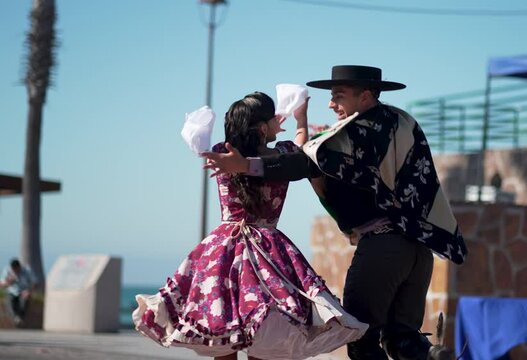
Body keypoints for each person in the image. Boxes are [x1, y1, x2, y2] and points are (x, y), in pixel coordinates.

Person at [202, 65, 468, 360]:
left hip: (383, 247)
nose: (330, 104)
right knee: (402, 338)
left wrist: (245, 166)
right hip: (418, 250)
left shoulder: (357, 132)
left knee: (361, 338)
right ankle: (431, 355)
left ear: (365, 96)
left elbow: (304, 163)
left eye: (338, 96)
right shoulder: (403, 122)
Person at [132, 91, 368, 360]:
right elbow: (301, 148)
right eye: (273, 118)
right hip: (269, 253)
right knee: (267, 335)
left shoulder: (223, 152)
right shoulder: (284, 155)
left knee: (220, 335)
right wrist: (301, 119)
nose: (280, 119)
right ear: (262, 127)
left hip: (222, 253)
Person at [0, 258, 36, 326]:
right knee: (10, 301)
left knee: (24, 301)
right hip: (11, 291)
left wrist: (28, 291)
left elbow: (35, 283)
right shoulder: (7, 270)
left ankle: (20, 318)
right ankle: (16, 318)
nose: (15, 271)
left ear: (19, 267)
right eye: (13, 270)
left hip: (24, 291)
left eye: (16, 269)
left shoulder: (27, 270)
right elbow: (1, 284)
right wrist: (9, 282)